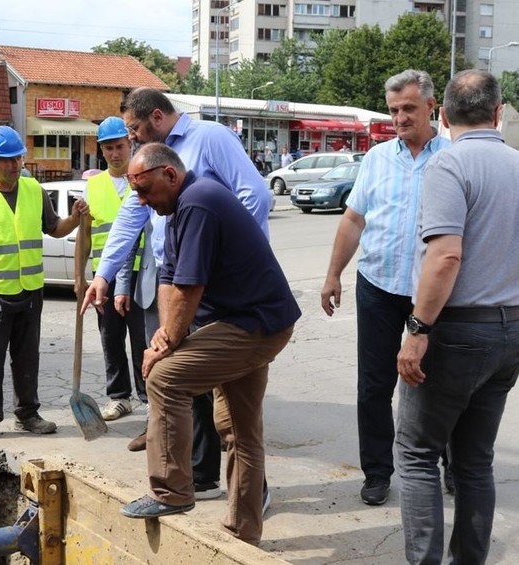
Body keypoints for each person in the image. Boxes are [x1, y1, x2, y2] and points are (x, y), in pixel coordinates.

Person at [82, 87, 271, 503]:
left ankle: (251, 490)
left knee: (227, 399)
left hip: (219, 288)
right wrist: (105, 274)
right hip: (177, 279)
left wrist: (231, 260)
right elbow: (133, 215)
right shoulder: (149, 165)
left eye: (133, 129)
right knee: (188, 382)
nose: (131, 139)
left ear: (156, 117)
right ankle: (201, 476)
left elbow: (255, 196)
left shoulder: (211, 138)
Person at [117, 144, 300, 547]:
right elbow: (168, 274)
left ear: (169, 174)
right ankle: (243, 533)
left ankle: (172, 491)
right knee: (238, 428)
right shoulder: (181, 206)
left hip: (254, 323)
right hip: (250, 319)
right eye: (136, 192)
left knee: (165, 379)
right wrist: (164, 335)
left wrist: (165, 346)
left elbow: (189, 287)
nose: (142, 200)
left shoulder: (198, 202)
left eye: (145, 189)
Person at [395, 69, 519, 564]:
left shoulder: (448, 167)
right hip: (508, 331)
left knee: (418, 454)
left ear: (442, 116)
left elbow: (445, 257)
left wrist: (417, 330)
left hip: (458, 330)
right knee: (474, 461)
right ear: (498, 112)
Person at [320, 69, 452, 506]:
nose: (399, 117)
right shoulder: (377, 158)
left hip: (430, 294)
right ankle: (377, 471)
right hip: (377, 284)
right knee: (373, 385)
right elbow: (354, 218)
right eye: (394, 109)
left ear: (431, 106)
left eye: (409, 109)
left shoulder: (452, 155)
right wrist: (333, 273)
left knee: (438, 381)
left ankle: (450, 462)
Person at [0, 125, 87, 445]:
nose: (15, 165)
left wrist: (76, 219)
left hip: (29, 289)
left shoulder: (34, 191)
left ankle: (28, 414)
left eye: (18, 159)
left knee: (27, 356)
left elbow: (55, 228)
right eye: (7, 160)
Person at [74, 117, 147, 420]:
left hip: (143, 273)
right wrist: (80, 278)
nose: (115, 153)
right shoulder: (94, 186)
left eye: (119, 146)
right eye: (108, 148)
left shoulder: (142, 177)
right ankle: (119, 396)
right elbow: (85, 234)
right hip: (105, 276)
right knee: (110, 337)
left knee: (144, 338)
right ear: (101, 150)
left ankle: (148, 395)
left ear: (130, 144)